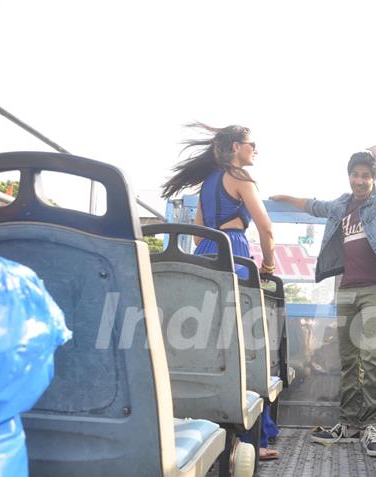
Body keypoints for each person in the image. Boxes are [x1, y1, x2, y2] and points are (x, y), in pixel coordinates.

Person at [270, 146, 376, 458]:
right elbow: (313, 206)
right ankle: (349, 423)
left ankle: (371, 424)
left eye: (365, 176)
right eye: (355, 175)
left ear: (373, 179)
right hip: (346, 289)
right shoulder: (341, 206)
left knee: (372, 357)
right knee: (349, 359)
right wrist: (284, 198)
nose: (359, 181)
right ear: (349, 177)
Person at [161, 123, 280, 461]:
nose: (255, 149)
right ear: (235, 147)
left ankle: (208, 429)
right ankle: (249, 440)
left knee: (206, 344)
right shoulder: (240, 177)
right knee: (244, 348)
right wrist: (268, 264)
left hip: (204, 258)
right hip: (236, 254)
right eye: (252, 144)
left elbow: (199, 236)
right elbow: (266, 227)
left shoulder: (207, 183)